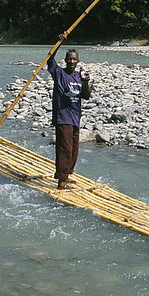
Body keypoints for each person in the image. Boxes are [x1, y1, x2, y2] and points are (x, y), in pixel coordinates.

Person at [47, 34, 91, 190]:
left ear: (78, 61)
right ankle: (62, 181)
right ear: (65, 60)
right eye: (69, 59)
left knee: (74, 149)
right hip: (63, 116)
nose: (72, 61)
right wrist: (59, 42)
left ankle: (67, 174)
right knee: (64, 148)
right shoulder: (59, 73)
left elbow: (86, 96)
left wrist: (86, 82)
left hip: (75, 117)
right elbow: (50, 59)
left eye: (74, 59)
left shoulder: (79, 76)